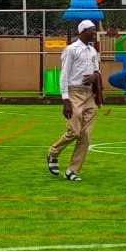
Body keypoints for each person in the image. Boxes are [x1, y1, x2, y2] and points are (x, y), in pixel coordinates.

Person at [47, 19, 100, 181]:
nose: (94, 32)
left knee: (86, 136)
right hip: (74, 93)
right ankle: (53, 152)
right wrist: (66, 99)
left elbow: (98, 70)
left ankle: (72, 170)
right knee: (74, 132)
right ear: (83, 31)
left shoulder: (92, 51)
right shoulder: (71, 50)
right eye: (92, 30)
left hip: (89, 94)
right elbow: (64, 75)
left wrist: (94, 76)